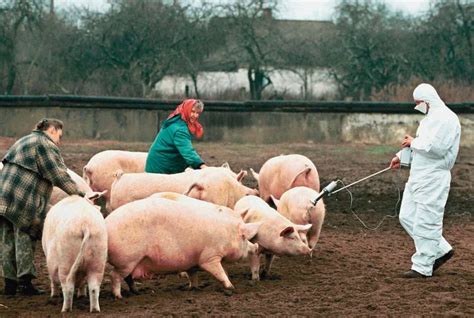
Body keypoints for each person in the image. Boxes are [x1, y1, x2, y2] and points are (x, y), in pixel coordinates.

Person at [0, 118, 86, 296]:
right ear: (52, 130)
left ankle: (10, 284)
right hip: (21, 197)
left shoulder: (25, 139)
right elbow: (58, 174)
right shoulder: (44, 143)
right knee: (25, 235)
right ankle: (24, 283)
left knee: (6, 238)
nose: (59, 141)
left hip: (3, 194)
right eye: (59, 136)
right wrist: (79, 195)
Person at [389, 83, 461, 278]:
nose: (417, 106)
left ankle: (422, 266)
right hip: (418, 177)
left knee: (427, 221)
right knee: (407, 216)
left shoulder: (447, 119)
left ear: (428, 100)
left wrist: (413, 142)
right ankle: (441, 250)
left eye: (419, 103)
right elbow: (421, 148)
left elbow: (437, 148)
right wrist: (402, 156)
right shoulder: (429, 120)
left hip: (434, 178)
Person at [145, 99, 208, 174]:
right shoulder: (180, 129)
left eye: (198, 113)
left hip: (158, 164)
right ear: (187, 109)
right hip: (161, 168)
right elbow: (188, 152)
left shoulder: (176, 119)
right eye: (193, 111)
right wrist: (203, 167)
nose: (195, 115)